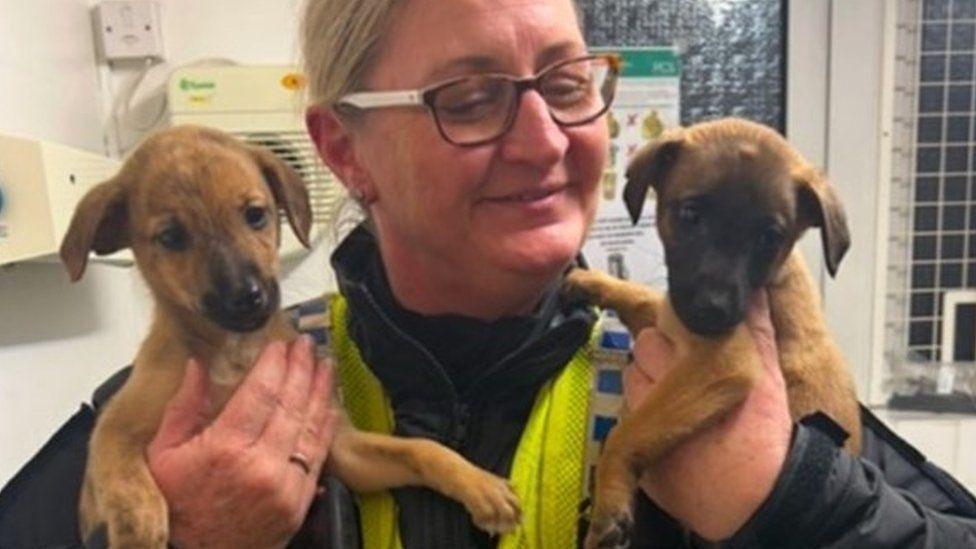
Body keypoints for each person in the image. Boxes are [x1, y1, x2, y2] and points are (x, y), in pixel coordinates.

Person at [2, 0, 976, 547]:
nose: (547, 140)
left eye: (564, 84)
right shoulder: (168, 414)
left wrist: (793, 503)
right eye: (469, 98)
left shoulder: (727, 379)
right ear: (343, 153)